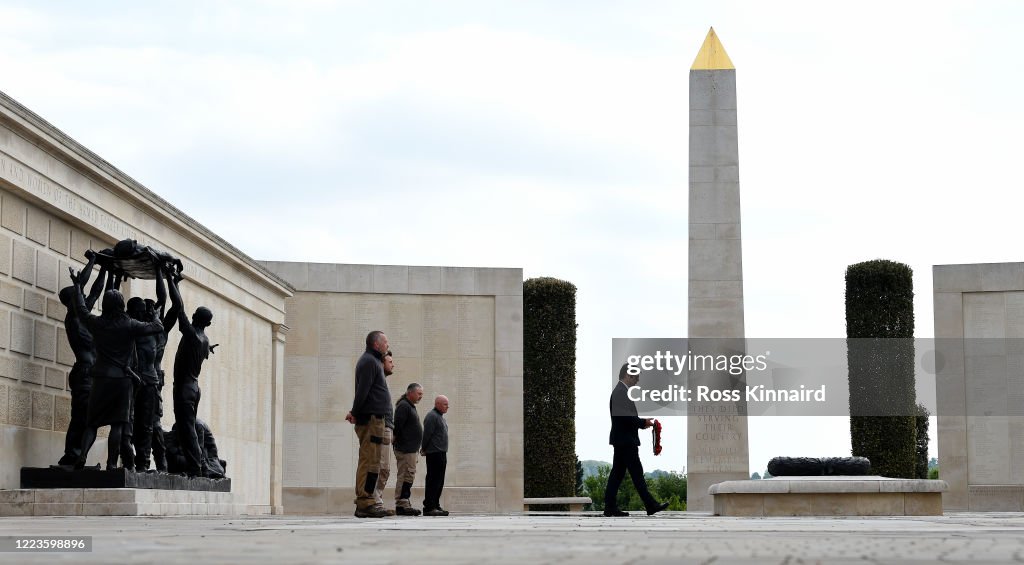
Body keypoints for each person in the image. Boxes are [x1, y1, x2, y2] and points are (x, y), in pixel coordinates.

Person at [68, 267, 164, 471]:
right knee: (117, 425)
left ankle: (82, 456)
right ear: (122, 305)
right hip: (122, 381)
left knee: (91, 423)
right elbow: (158, 328)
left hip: (100, 378)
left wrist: (77, 286)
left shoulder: (97, 323)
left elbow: (81, 310)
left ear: (105, 305)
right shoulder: (130, 324)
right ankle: (112, 464)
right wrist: (155, 315)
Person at [54, 253, 105, 468]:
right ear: (73, 300)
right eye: (78, 295)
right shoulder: (73, 318)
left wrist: (104, 267)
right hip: (83, 373)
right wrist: (93, 260)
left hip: (91, 374)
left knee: (88, 418)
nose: (83, 297)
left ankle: (77, 456)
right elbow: (83, 285)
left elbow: (95, 291)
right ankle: (71, 455)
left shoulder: (83, 315)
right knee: (80, 417)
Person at [167, 270, 218, 477]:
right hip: (194, 388)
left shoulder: (194, 337)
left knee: (186, 429)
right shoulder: (204, 341)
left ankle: (196, 468)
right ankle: (197, 466)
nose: (193, 315)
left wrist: (174, 283)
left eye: (195, 314)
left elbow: (179, 310)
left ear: (198, 318)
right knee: (186, 428)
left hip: (185, 389)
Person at [603, 364, 669, 517]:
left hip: (622, 439)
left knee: (617, 475)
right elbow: (625, 416)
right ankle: (650, 505)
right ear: (628, 375)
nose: (638, 380)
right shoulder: (621, 392)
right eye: (636, 376)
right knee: (636, 474)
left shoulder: (621, 391)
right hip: (626, 441)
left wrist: (641, 423)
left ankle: (610, 507)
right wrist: (642, 422)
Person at [345, 331, 391, 518]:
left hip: (376, 419)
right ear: (376, 344)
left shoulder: (373, 362)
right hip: (370, 420)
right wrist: (355, 412)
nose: (388, 345)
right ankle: (364, 502)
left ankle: (369, 501)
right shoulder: (368, 362)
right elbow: (362, 391)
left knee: (374, 462)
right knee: (368, 460)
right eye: (385, 342)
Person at [128, 293, 164, 471]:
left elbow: (164, 301)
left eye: (145, 311)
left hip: (149, 382)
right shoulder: (126, 327)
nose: (143, 314)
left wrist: (160, 272)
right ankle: (128, 460)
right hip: (131, 382)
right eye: (139, 311)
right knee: (127, 422)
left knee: (147, 425)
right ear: (130, 312)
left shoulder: (154, 330)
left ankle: (143, 462)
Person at [392, 382, 424, 516]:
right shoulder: (404, 406)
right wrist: (401, 445)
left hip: (410, 449)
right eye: (419, 393)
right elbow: (397, 427)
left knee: (408, 475)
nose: (421, 396)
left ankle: (405, 501)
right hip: (405, 449)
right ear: (410, 392)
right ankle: (401, 504)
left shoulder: (409, 406)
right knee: (405, 474)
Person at [372, 351, 396, 516]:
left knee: (385, 469)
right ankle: (374, 502)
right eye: (390, 361)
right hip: (380, 428)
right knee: (379, 468)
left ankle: (377, 500)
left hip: (386, 428)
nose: (393, 364)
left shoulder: (382, 382)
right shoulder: (377, 381)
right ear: (382, 363)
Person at [420, 395, 450, 516]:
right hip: (434, 453)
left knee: (439, 480)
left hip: (441, 453)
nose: (448, 407)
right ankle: (429, 507)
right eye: (445, 404)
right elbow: (427, 434)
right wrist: (424, 448)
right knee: (433, 480)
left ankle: (435, 505)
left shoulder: (440, 417)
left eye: (447, 404)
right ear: (437, 404)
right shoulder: (432, 416)